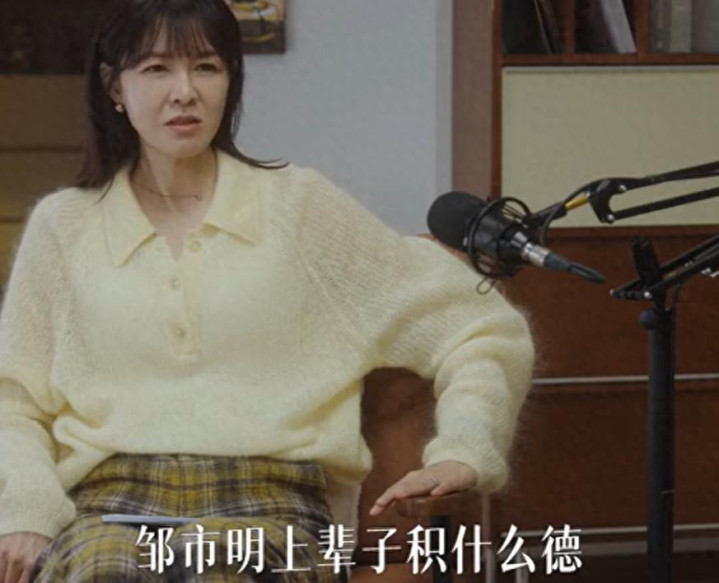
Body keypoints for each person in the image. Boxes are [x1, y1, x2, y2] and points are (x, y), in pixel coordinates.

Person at [0, 0, 534, 581]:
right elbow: (14, 401)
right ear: (114, 87)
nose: (184, 92)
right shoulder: (64, 226)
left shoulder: (300, 209)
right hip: (106, 503)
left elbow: (479, 327)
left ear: (230, 80)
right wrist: (26, 509)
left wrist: (465, 448)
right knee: (103, 571)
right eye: (156, 69)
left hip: (269, 501)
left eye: (206, 67)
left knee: (214, 565)